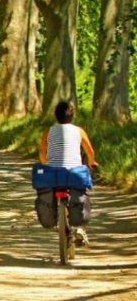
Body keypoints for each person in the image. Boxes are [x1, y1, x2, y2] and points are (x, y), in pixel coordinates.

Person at [39, 100, 98, 245]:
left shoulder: (49, 131)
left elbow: (42, 151)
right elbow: (89, 151)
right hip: (74, 172)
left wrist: (44, 164)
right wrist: (91, 162)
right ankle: (79, 227)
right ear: (72, 116)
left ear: (56, 116)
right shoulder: (79, 131)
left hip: (54, 173)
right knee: (81, 193)